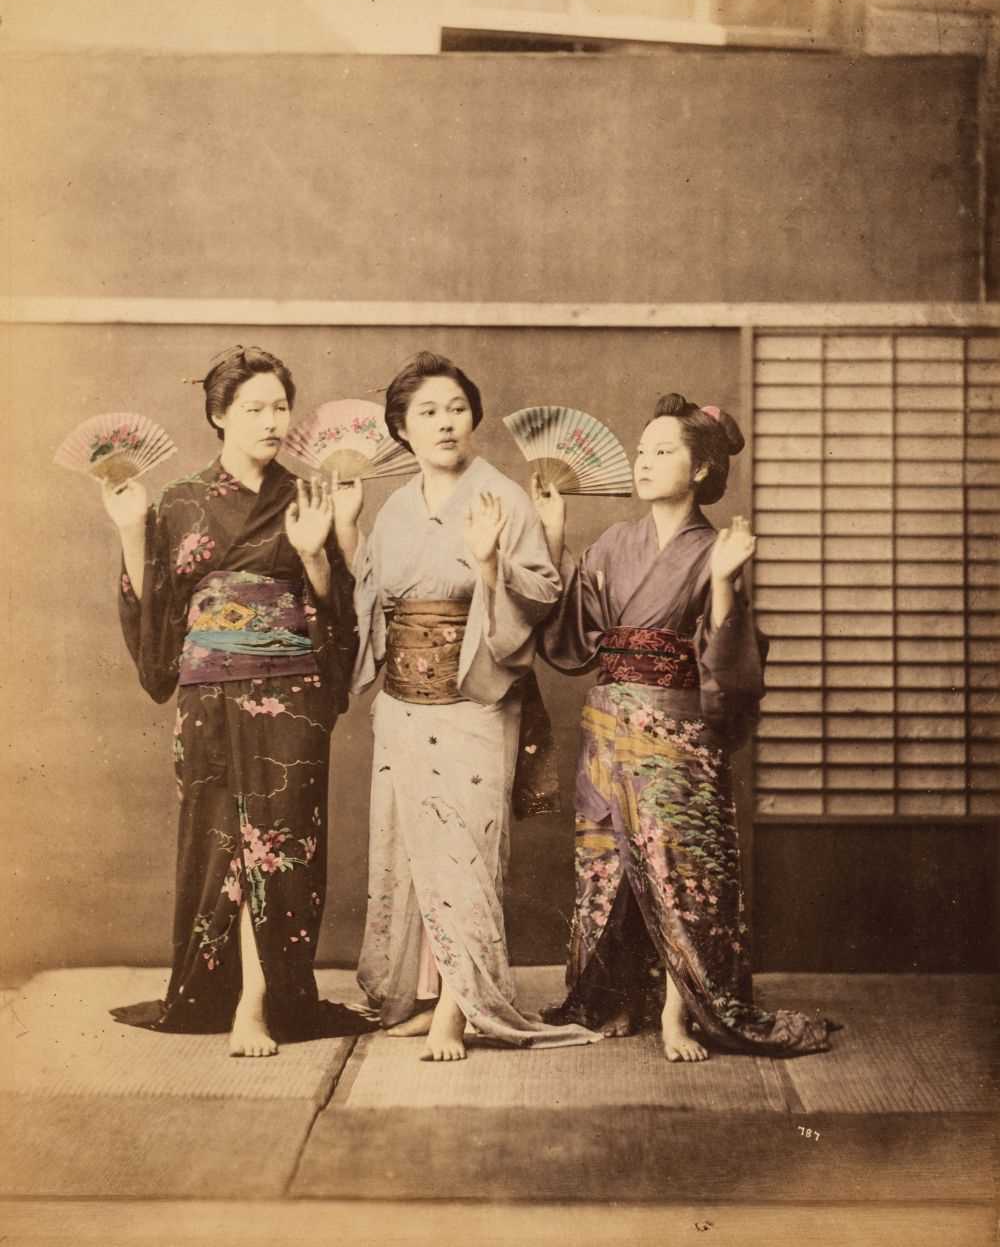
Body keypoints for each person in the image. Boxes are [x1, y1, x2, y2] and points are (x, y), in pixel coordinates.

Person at [533, 392, 835, 1060]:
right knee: (606, 867)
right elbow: (572, 636)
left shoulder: (715, 547)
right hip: (606, 727)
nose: (643, 462)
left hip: (677, 734)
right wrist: (553, 536)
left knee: (679, 871)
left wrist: (724, 583)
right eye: (640, 451)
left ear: (701, 468)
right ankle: (612, 997)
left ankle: (678, 1011)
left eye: (662, 451)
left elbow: (729, 664)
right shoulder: (615, 541)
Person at [103, 345, 374, 1055]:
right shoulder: (182, 501)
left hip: (290, 689)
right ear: (219, 415)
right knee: (221, 834)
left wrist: (317, 553)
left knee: (279, 839)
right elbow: (159, 604)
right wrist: (131, 529)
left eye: (280, 405)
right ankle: (219, 992)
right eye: (253, 407)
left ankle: (259, 1000)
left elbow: (342, 607)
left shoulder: (308, 493)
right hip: (209, 692)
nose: (271, 420)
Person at [335, 350, 599, 1061]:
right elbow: (372, 595)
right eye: (427, 411)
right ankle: (425, 995)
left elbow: (541, 593)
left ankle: (461, 1004)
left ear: (474, 416)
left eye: (456, 407)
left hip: (475, 695)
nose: (446, 422)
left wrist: (489, 565)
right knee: (413, 847)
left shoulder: (502, 496)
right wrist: (348, 532)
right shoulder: (394, 505)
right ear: (402, 429)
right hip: (403, 701)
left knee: (467, 848)